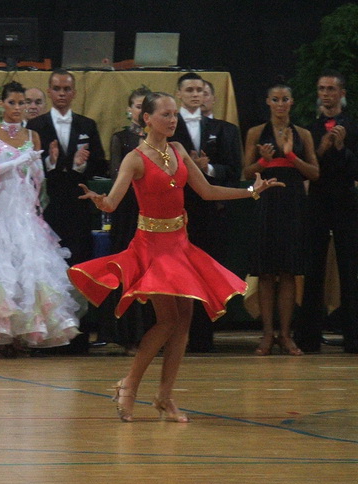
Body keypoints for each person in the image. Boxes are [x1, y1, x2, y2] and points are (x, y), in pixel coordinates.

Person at [70, 92, 283, 423]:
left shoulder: (179, 150)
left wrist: (251, 191)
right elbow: (112, 202)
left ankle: (164, 397)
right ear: (147, 118)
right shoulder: (135, 158)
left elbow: (207, 191)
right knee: (168, 320)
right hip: (152, 247)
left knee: (183, 320)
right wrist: (100, 201)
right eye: (165, 114)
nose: (172, 120)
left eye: (174, 115)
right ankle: (129, 385)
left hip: (179, 244)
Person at [0, 82, 79, 354]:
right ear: (2, 104)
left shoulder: (33, 135)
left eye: (23, 103)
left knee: (29, 264)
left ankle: (24, 333)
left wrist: (50, 162)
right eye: (13, 103)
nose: (18, 108)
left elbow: (37, 176)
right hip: (0, 207)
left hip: (24, 207)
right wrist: (16, 162)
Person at [26, 69, 108, 354]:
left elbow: (100, 164)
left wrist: (80, 165)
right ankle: (46, 335)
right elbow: (27, 165)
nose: (61, 93)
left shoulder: (87, 124)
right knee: (46, 269)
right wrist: (49, 163)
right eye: (57, 88)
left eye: (66, 89)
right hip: (46, 208)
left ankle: (77, 335)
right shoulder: (35, 125)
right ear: (49, 91)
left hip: (78, 206)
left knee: (78, 266)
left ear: (74, 92)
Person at [169, 72, 244, 352]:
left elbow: (234, 171)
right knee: (175, 274)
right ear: (178, 94)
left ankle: (202, 337)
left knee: (206, 273)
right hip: (175, 213)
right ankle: (174, 335)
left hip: (211, 213)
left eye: (199, 90)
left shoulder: (224, 129)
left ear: (206, 95)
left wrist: (208, 168)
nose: (195, 94)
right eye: (189, 89)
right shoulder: (168, 128)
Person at [243, 83, 319, 356]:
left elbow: (314, 173)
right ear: (267, 101)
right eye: (275, 99)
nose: (280, 104)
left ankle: (286, 335)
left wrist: (290, 155)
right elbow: (245, 173)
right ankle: (267, 335)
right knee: (265, 273)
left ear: (292, 102)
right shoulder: (256, 133)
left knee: (288, 272)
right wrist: (264, 161)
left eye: (285, 99)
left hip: (293, 204)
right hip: (266, 202)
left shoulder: (303, 134)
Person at [295, 70, 358, 354]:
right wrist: (320, 149)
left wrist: (342, 148)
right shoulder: (308, 129)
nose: (326, 94)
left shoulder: (353, 126)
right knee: (313, 268)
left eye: (331, 89)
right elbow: (306, 169)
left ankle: (353, 338)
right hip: (318, 202)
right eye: (322, 89)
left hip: (347, 202)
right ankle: (308, 338)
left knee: (350, 268)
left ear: (342, 93)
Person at [101, 86, 152, 355]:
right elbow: (116, 176)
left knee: (152, 271)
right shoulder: (120, 138)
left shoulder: (162, 140)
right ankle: (129, 336)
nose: (141, 111)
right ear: (130, 109)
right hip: (127, 210)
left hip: (153, 211)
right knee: (128, 271)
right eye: (138, 106)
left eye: (146, 107)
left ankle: (154, 334)